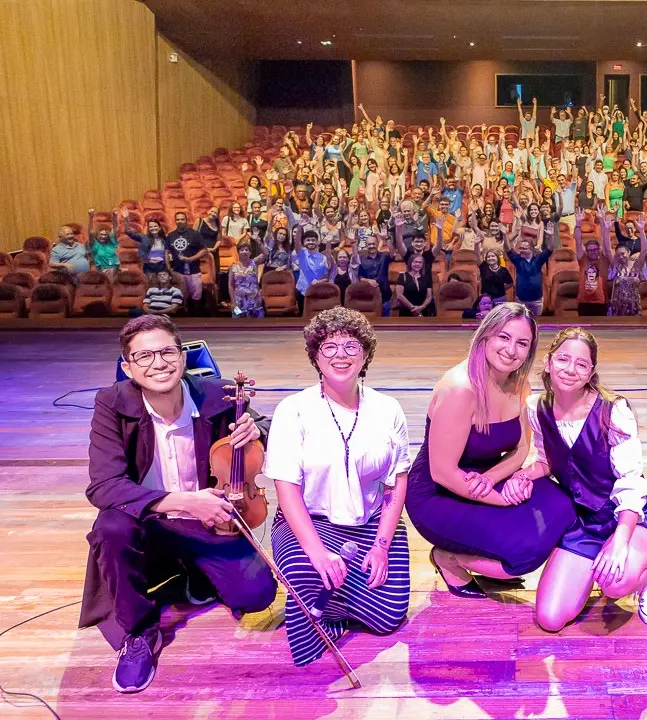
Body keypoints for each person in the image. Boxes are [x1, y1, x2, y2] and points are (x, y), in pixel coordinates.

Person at [80, 315, 277, 693]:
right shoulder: (111, 403)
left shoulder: (217, 394)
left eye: (167, 351)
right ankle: (138, 633)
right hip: (147, 523)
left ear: (183, 357)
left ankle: (191, 573)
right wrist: (183, 501)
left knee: (256, 595)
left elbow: (268, 426)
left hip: (209, 524)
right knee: (110, 526)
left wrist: (259, 430)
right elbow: (103, 486)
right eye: (144, 356)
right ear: (128, 367)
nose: (158, 363)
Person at [265, 308, 411, 666]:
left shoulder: (388, 409)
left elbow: (397, 483)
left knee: (389, 616)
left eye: (351, 345)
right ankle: (319, 591)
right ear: (315, 356)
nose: (341, 355)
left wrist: (381, 546)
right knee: (307, 570)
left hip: (369, 525)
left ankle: (327, 599)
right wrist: (316, 551)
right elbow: (287, 490)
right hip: (308, 523)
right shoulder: (293, 410)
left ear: (365, 355)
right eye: (329, 347)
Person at [405, 304, 575, 597]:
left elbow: (522, 447)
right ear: (485, 336)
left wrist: (504, 479)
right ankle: (449, 559)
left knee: (562, 505)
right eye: (503, 337)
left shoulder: (518, 383)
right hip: (438, 493)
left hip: (484, 476)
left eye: (522, 343)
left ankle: (485, 554)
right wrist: (502, 499)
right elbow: (443, 472)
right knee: (527, 549)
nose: (511, 350)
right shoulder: (461, 389)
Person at [521, 329, 647, 631]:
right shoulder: (537, 408)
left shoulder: (613, 411)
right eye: (563, 359)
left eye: (581, 364)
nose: (570, 369)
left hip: (629, 516)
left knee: (615, 583)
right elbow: (548, 458)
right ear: (548, 362)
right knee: (550, 619)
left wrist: (620, 540)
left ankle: (646, 577)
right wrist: (526, 473)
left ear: (591, 372)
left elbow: (631, 482)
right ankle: (593, 568)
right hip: (584, 521)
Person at [165, 212, 209, 316]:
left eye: (182, 219)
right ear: (175, 221)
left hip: (194, 270)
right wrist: (168, 268)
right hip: (178, 272)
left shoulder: (195, 234)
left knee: (196, 297)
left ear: (186, 220)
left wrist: (190, 259)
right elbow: (167, 252)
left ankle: (196, 319)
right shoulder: (171, 235)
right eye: (178, 219)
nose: (180, 221)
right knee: (181, 297)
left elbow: (204, 250)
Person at [575, 207, 613, 316]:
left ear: (599, 250)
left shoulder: (604, 260)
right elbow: (578, 241)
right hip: (584, 302)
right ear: (586, 251)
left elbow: (606, 244)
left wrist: (601, 220)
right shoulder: (583, 259)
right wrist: (578, 224)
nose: (593, 252)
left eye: (595, 249)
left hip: (600, 302)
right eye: (590, 250)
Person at [228, 242, 265, 318]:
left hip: (255, 300)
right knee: (237, 323)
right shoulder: (234, 266)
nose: (244, 251)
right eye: (241, 250)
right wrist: (233, 302)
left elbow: (266, 254)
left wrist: (258, 241)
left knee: (257, 325)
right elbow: (230, 285)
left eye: (246, 250)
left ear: (250, 252)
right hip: (239, 300)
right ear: (238, 252)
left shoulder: (254, 263)